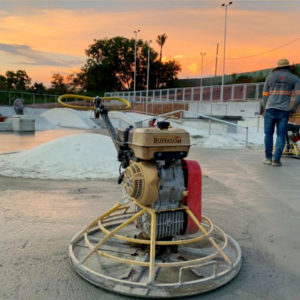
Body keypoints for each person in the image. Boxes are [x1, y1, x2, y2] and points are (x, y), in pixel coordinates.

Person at [262, 58, 300, 166]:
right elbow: (298, 96)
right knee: (281, 135)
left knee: (268, 134)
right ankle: (276, 160)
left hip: (270, 109)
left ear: (278, 66)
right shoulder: (294, 78)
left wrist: (266, 108)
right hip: (284, 111)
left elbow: (265, 95)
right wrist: (293, 108)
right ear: (288, 67)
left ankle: (268, 158)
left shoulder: (270, 77)